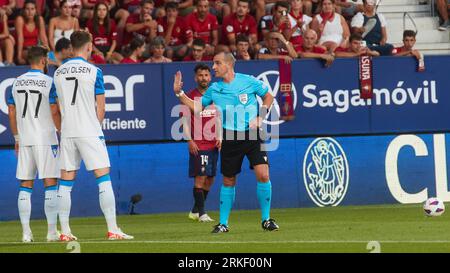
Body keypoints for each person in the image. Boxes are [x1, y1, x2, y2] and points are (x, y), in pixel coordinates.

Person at [173, 52, 279, 233]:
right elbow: (197, 108)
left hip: (253, 134)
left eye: (217, 63)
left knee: (263, 175)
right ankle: (223, 223)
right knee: (229, 179)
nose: (213, 67)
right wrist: (180, 93)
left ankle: (266, 220)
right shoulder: (215, 89)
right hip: (230, 137)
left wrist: (261, 117)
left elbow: (269, 97)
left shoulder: (249, 81)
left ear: (228, 65)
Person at [52, 30, 133, 241]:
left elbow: (55, 108)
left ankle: (65, 232)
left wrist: (63, 130)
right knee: (103, 177)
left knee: (66, 181)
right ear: (88, 47)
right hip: (89, 130)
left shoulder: (58, 72)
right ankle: (113, 229)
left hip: (68, 132)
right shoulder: (94, 71)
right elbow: (102, 108)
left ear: (71, 47)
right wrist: (94, 128)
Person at [7, 46, 61, 243]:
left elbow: (11, 112)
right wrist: (62, 130)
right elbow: (54, 110)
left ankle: (26, 233)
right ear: (44, 60)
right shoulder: (49, 82)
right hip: (46, 138)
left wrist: (17, 139)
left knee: (25, 184)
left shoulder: (16, 83)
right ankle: (51, 233)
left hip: (26, 139)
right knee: (50, 184)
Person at [182, 63, 219, 223]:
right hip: (198, 143)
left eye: (206, 75)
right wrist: (189, 140)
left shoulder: (216, 95)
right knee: (200, 177)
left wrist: (220, 136)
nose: (203, 78)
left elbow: (219, 117)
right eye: (200, 75)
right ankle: (203, 213)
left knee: (210, 179)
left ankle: (195, 211)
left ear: (210, 77)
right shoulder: (189, 97)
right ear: (195, 78)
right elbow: (183, 121)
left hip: (213, 144)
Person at [14, 0, 49, 65]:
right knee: (37, 57)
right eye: (27, 9)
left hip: (36, 49)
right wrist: (19, 57)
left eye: (32, 9)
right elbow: (20, 39)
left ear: (36, 11)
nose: (30, 12)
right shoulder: (20, 19)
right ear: (24, 11)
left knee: (48, 57)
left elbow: (43, 38)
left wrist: (48, 53)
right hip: (24, 50)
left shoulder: (39, 19)